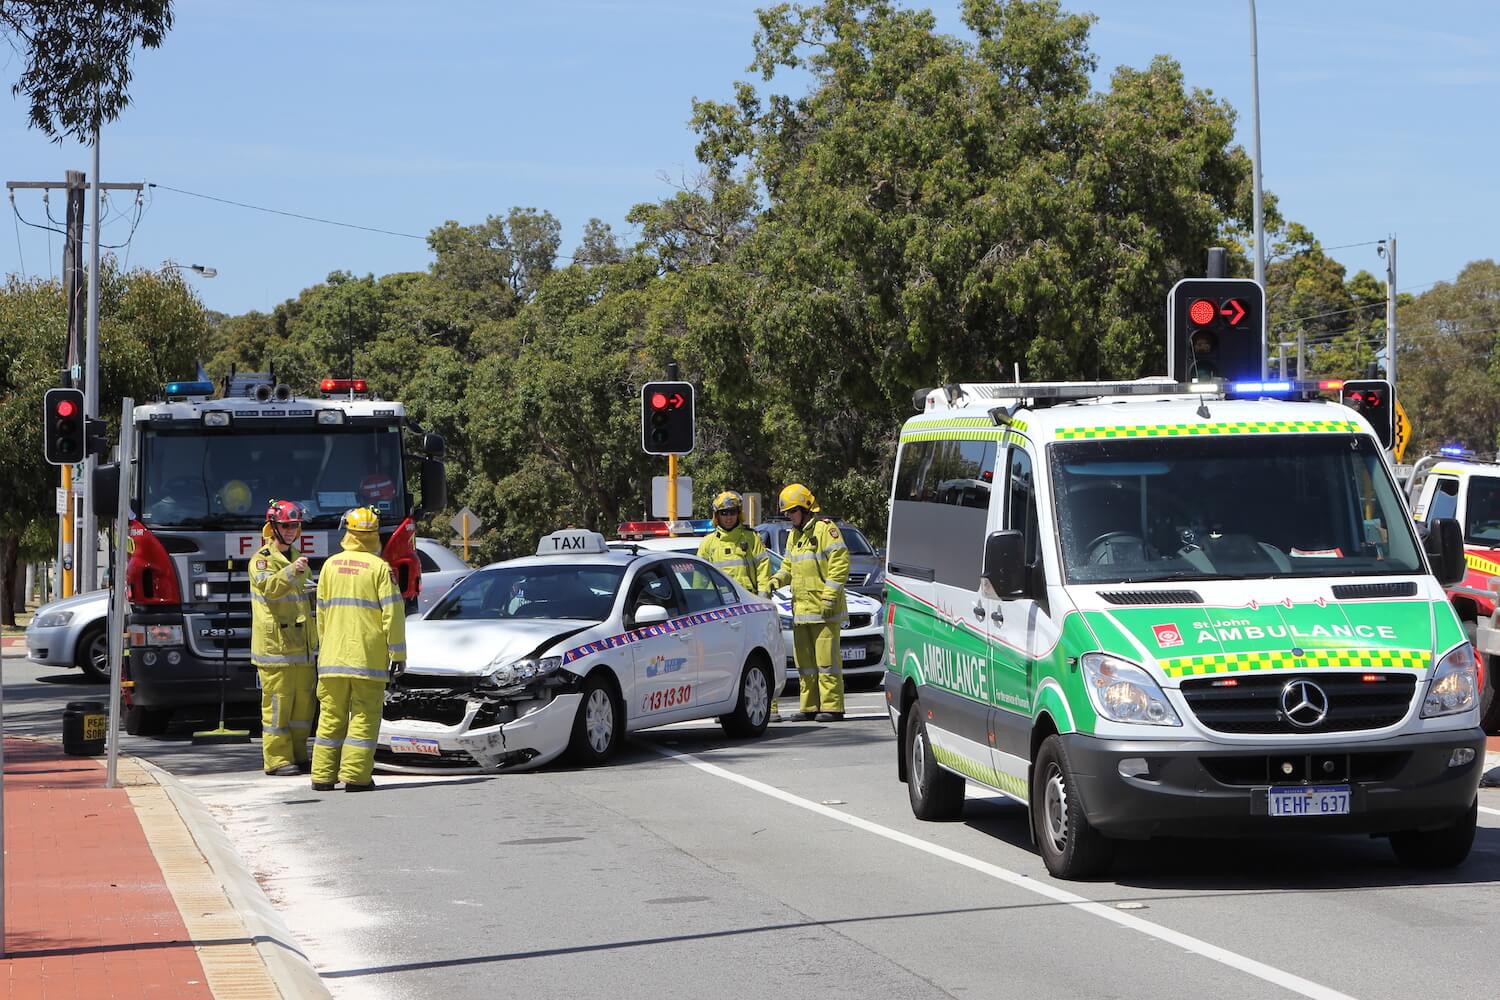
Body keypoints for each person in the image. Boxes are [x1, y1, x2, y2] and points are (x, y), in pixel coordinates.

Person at [312, 506, 405, 792]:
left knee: (330, 718)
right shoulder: (379, 569)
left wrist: (325, 650)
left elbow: (322, 614)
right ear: (374, 534)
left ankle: (322, 777)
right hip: (367, 659)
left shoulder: (330, 566)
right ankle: (355, 777)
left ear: (348, 532)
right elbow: (393, 614)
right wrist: (398, 654)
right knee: (364, 717)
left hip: (332, 659)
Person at [767, 484, 850, 722]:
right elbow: (788, 567)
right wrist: (776, 580)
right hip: (802, 611)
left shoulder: (826, 530)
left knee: (827, 663)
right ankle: (810, 706)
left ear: (804, 508)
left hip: (824, 610)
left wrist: (830, 595)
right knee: (806, 664)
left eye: (791, 511)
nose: (788, 517)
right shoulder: (795, 535)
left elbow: (840, 564)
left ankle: (832, 707)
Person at [696, 491, 779, 717]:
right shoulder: (708, 544)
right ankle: (721, 707)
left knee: (761, 656)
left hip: (749, 608)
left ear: (738, 513)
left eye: (732, 512)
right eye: (724, 513)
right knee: (721, 660)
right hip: (719, 612)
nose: (729, 517)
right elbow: (700, 581)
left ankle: (769, 706)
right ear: (716, 516)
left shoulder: (751, 539)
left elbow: (763, 569)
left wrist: (763, 597)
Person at [250, 500, 317, 776]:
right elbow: (270, 588)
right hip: (275, 650)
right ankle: (277, 760)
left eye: (295, 526)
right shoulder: (262, 560)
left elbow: (307, 600)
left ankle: (299, 755)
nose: (290, 531)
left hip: (301, 648)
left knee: (303, 709)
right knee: (278, 708)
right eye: (286, 526)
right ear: (274, 526)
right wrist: (292, 571)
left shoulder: (298, 558)